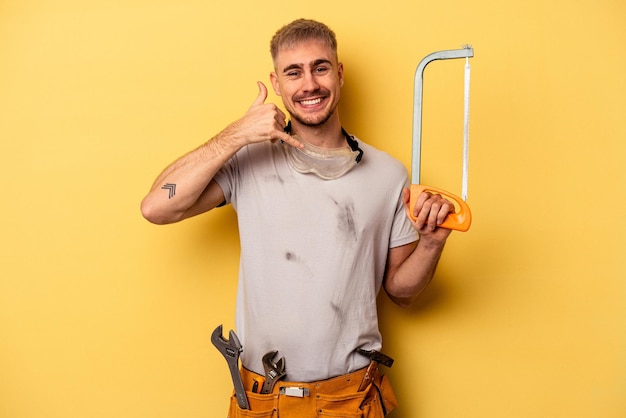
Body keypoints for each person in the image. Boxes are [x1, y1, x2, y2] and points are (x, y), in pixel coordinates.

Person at [141, 18, 454, 418]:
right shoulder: (247, 161)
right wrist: (236, 134)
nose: (309, 84)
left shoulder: (389, 174)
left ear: (339, 73)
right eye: (294, 72)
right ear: (276, 82)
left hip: (351, 398)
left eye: (320, 67)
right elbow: (157, 207)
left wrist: (431, 243)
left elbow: (402, 292)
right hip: (261, 399)